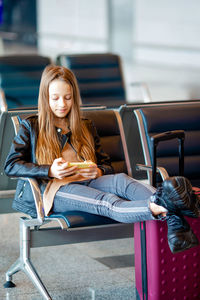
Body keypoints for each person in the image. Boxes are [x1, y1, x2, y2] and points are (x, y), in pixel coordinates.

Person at [4, 65, 200, 254]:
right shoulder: (31, 127)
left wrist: (98, 171)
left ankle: (169, 207)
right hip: (56, 188)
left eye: (68, 98)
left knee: (122, 180)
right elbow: (10, 166)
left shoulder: (85, 126)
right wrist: (49, 170)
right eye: (55, 98)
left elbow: (107, 166)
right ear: (45, 98)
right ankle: (167, 207)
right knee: (107, 202)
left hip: (89, 180)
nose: (62, 104)